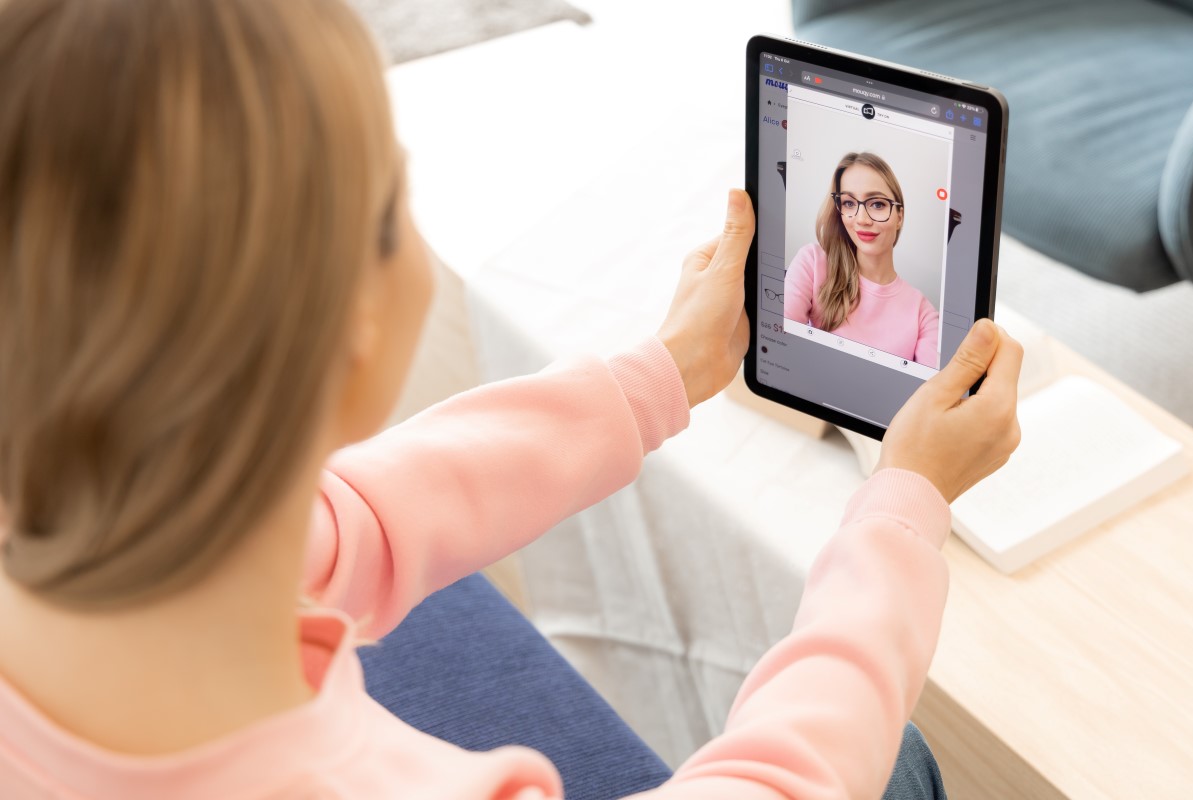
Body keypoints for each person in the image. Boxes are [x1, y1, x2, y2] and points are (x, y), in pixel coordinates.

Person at [0, 1, 1022, 798]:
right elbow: (773, 779)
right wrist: (903, 509)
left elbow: (348, 519)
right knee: (901, 760)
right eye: (392, 204)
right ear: (348, 336)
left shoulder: (107, 530)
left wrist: (660, 372)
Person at [785, 152, 942, 368]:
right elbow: (779, 345)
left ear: (899, 216)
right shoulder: (812, 263)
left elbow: (931, 394)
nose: (862, 219)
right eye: (849, 203)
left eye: (877, 204)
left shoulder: (923, 314)